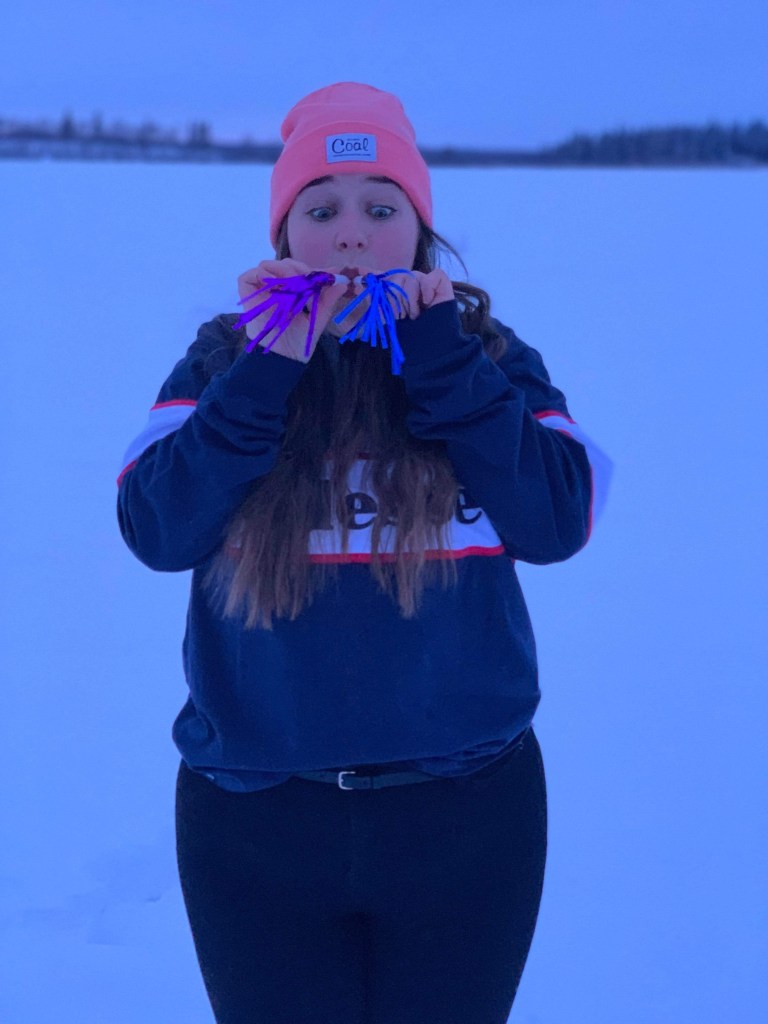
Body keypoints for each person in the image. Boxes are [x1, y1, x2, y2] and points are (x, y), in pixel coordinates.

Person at [117, 82, 611, 1024]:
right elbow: (157, 528)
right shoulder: (225, 361)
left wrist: (442, 361)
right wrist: (268, 368)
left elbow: (557, 519)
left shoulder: (485, 354)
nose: (352, 235)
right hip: (254, 821)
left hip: (470, 816)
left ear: (419, 230)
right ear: (284, 233)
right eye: (322, 210)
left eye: (381, 209)